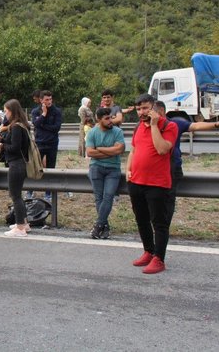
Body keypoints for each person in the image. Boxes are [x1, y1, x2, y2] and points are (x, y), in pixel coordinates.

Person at [126, 93, 178, 274]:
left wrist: (154, 125)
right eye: (139, 109)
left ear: (154, 108)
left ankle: (159, 258)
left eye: (145, 108)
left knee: (159, 223)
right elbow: (133, 150)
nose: (141, 112)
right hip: (136, 181)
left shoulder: (169, 126)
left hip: (157, 183)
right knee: (141, 220)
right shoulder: (138, 127)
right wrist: (128, 169)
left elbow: (162, 149)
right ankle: (148, 251)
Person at [153, 100, 219, 214]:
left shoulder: (174, 123)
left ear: (161, 111)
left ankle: (163, 229)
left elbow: (196, 126)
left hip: (172, 168)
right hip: (155, 169)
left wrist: (215, 124)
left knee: (167, 200)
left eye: (151, 111)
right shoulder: (148, 126)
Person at [85, 107, 125, 239]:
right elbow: (90, 152)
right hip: (96, 168)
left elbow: (119, 150)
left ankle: (98, 226)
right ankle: (105, 226)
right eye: (107, 118)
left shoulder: (117, 131)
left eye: (111, 118)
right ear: (99, 119)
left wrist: (100, 149)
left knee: (108, 196)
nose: (110, 121)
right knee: (99, 198)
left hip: (113, 169)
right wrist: (110, 151)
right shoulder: (92, 133)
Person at [0, 99, 30, 237]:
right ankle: (24, 223)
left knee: (15, 196)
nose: (5, 114)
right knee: (18, 195)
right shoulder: (22, 125)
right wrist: (2, 140)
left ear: (13, 111)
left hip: (16, 164)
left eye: (6, 111)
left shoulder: (15, 127)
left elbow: (15, 148)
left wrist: (2, 146)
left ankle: (20, 228)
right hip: (20, 164)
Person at [31, 90, 62, 201]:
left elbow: (56, 128)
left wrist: (43, 125)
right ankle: (30, 190)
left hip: (52, 143)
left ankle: (48, 193)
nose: (49, 101)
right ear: (41, 100)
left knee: (51, 168)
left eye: (50, 99)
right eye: (46, 99)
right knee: (35, 167)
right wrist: (43, 115)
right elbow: (36, 124)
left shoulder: (57, 111)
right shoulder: (36, 111)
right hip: (39, 143)